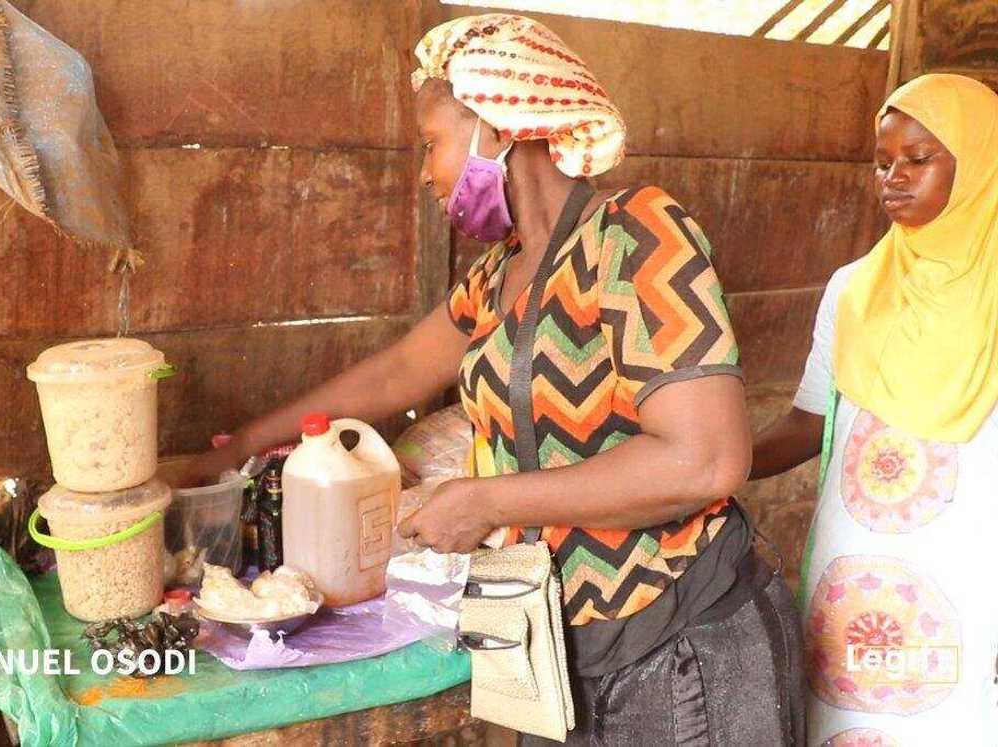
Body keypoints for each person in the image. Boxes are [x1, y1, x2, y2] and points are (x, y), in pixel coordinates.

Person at [189, 14, 804, 744]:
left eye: (431, 145)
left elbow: (704, 459)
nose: (424, 172)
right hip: (557, 646)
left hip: (681, 650)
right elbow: (398, 371)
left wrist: (486, 500)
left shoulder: (635, 236)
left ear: (499, 126)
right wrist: (241, 447)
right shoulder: (496, 276)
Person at [750, 73, 998, 744]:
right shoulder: (853, 288)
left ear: (980, 162)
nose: (894, 177)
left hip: (972, 576)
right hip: (853, 578)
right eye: (883, 162)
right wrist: (715, 464)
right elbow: (809, 420)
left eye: (919, 160)